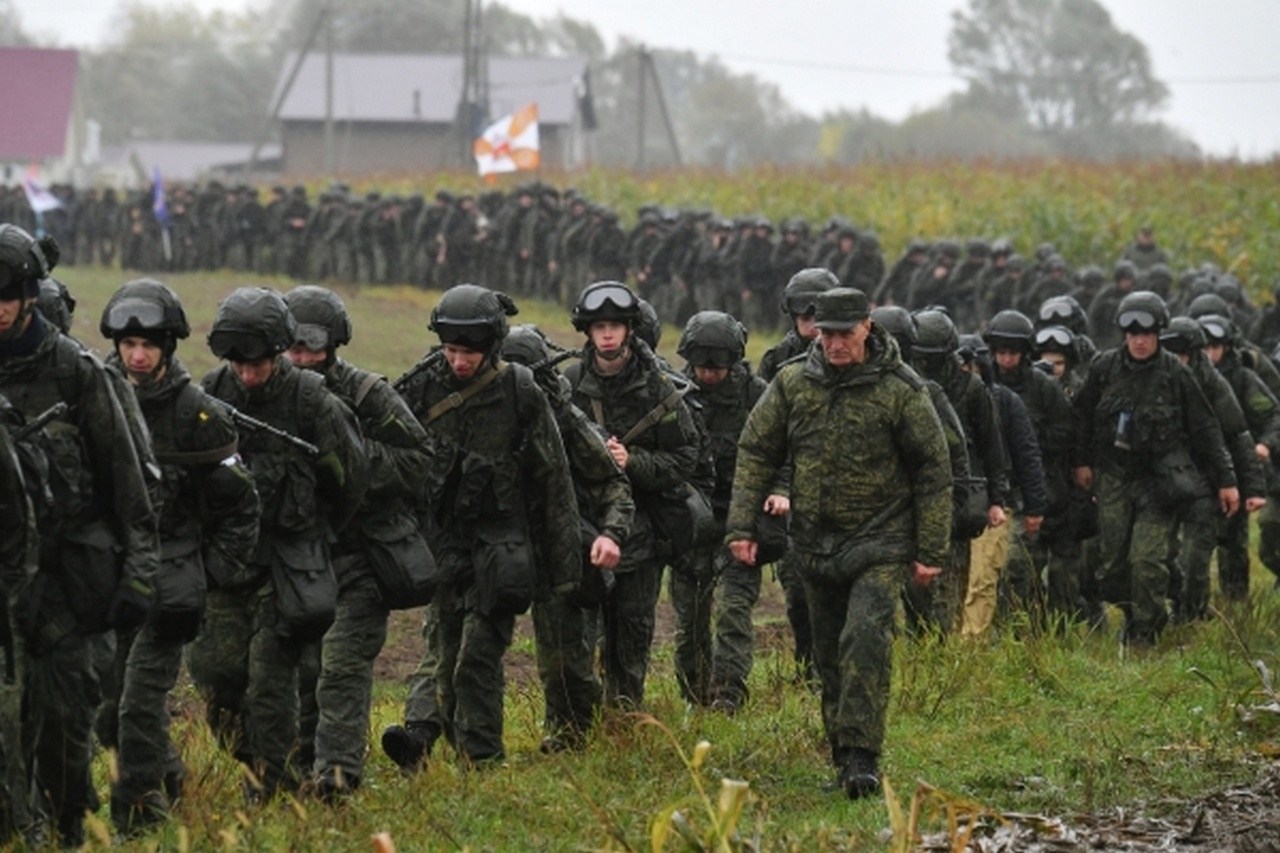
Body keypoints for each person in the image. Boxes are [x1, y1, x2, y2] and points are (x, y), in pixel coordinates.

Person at [727, 287, 951, 801]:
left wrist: (930, 550)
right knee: (826, 654)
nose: (834, 345)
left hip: (880, 541)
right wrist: (741, 527)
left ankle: (862, 755)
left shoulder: (901, 390)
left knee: (865, 640)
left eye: (845, 334)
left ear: (867, 327)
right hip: (812, 544)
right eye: (826, 334)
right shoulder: (792, 384)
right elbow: (757, 451)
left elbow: (933, 471)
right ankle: (841, 752)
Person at [0, 225, 160, 847]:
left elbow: (132, 488)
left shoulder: (79, 375)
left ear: (29, 298)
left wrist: (139, 577)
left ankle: (70, 829)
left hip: (68, 587)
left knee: (63, 734)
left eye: (6, 297)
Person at [388, 285, 580, 766]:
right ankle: (452, 744)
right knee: (445, 658)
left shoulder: (519, 390)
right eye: (450, 350)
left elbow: (552, 479)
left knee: (478, 656)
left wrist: (562, 570)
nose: (458, 362)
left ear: (490, 345)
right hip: (443, 547)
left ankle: (483, 758)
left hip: (501, 546)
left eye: (468, 352)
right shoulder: (420, 388)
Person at [190, 286, 365, 800]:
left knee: (270, 683)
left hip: (285, 563)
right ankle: (257, 762)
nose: (247, 375)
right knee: (217, 679)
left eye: (259, 364)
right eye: (239, 364)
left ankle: (272, 785)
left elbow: (348, 480)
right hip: (226, 564)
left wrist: (312, 533)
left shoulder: (312, 400)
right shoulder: (208, 395)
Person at [98, 279, 260, 833]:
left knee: (140, 705)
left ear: (167, 347)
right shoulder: (96, 400)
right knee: (107, 710)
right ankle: (166, 775)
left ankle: (139, 822)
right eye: (128, 345)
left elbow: (241, 507)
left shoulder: (199, 416)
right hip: (110, 581)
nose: (137, 356)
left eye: (149, 345)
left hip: (170, 587)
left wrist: (208, 574)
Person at [281, 285, 432, 799]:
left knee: (341, 666)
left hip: (361, 558)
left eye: (310, 349)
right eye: (291, 348)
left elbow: (417, 462)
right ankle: (298, 767)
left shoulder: (367, 395)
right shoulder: (267, 397)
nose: (300, 359)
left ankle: (337, 777)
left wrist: (346, 456)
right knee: (301, 669)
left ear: (334, 345)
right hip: (298, 560)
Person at [563, 280, 704, 709]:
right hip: (587, 528)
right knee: (579, 632)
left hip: (644, 530)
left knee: (631, 630)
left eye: (616, 326)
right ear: (587, 331)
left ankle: (625, 714)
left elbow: (686, 457)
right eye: (599, 326)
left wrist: (633, 462)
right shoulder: (568, 383)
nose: (607, 334)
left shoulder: (660, 387)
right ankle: (576, 723)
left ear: (630, 330)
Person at [1072, 291, 1238, 649]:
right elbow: (1081, 418)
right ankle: (1140, 612)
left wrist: (1227, 481)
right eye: (1133, 334)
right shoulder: (1104, 369)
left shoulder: (1176, 373)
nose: (1140, 340)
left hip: (1158, 482)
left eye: (1147, 334)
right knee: (1112, 568)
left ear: (1158, 334)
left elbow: (1206, 428)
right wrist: (1082, 462)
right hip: (1114, 477)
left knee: (1146, 560)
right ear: (1124, 335)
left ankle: (1145, 633)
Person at [671, 311, 774, 711]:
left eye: (718, 367)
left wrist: (779, 491)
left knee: (733, 610)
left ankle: (728, 693)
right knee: (689, 623)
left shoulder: (756, 395)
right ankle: (694, 695)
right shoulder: (673, 391)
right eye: (702, 366)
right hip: (691, 522)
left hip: (740, 520)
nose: (709, 375)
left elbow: (780, 449)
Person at [758, 267, 836, 684]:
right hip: (792, 493)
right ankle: (809, 668)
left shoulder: (853, 355)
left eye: (816, 311)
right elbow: (761, 434)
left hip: (844, 489)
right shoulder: (776, 361)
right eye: (801, 312)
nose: (809, 321)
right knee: (798, 593)